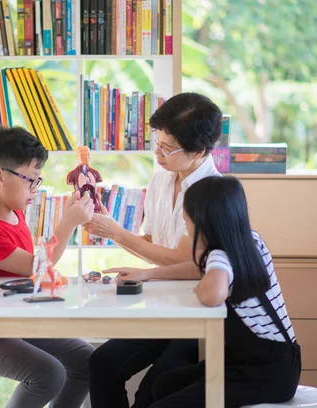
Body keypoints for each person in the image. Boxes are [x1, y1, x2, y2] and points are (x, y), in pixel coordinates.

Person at [87, 92, 223, 408]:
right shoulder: (161, 178)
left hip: (196, 315)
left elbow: (188, 263)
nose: (157, 153)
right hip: (160, 305)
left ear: (198, 151)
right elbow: (153, 244)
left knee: (154, 391)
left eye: (167, 148)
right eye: (156, 142)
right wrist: (111, 229)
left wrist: (118, 234)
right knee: (102, 363)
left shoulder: (212, 193)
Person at [0, 127, 95, 408]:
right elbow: (38, 266)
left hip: (17, 321)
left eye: (38, 181)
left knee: (86, 360)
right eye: (30, 181)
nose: (35, 189)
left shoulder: (16, 213)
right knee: (49, 373)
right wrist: (68, 222)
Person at [149, 176, 301, 408]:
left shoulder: (221, 255)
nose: (187, 232)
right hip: (276, 361)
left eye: (188, 223)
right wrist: (147, 274)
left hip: (263, 371)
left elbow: (213, 294)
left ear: (205, 224)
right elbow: (202, 270)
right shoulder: (249, 240)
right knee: (166, 384)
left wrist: (202, 287)